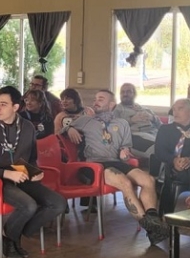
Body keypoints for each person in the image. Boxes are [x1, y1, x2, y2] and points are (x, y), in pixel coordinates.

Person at [0, 86, 66, 258]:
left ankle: (10, 235)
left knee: (58, 203)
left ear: (15, 107)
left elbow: (30, 160)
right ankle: (10, 239)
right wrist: (5, 173)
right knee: (28, 205)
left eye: (3, 104)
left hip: (19, 178)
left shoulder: (27, 127)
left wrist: (34, 172)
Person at [62, 89, 166, 245]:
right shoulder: (85, 120)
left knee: (149, 180)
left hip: (116, 162)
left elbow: (126, 147)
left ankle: (152, 220)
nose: (96, 102)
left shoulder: (122, 123)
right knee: (125, 182)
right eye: (95, 99)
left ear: (111, 104)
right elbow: (61, 127)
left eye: (101, 99)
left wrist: (125, 152)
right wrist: (69, 129)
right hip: (93, 164)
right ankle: (150, 227)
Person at [113, 83, 161, 158]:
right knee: (159, 148)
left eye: (128, 91)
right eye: (122, 92)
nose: (125, 94)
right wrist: (131, 120)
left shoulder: (145, 109)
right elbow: (114, 128)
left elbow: (161, 126)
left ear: (134, 94)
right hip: (137, 136)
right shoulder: (117, 110)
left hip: (155, 133)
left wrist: (152, 117)